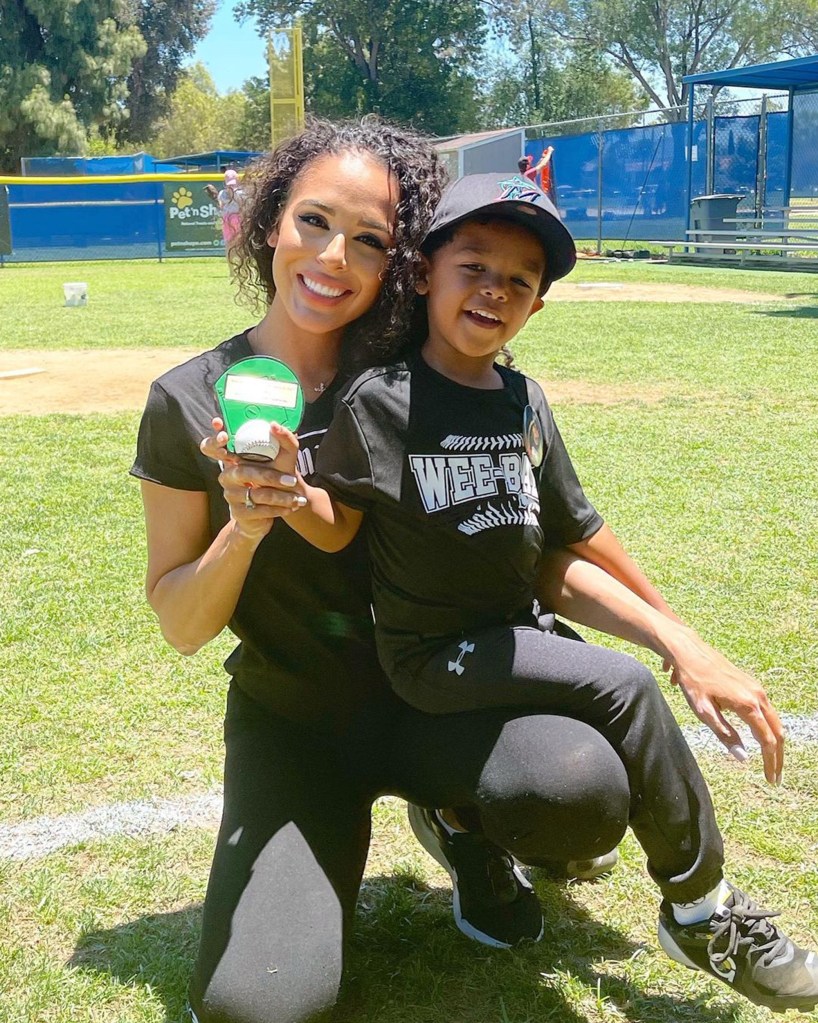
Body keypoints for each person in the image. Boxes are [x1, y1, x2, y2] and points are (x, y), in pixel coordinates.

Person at [133, 121, 795, 1023]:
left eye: (368, 238)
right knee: (263, 1003)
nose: (334, 256)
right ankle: (430, 829)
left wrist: (680, 636)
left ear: (399, 262)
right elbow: (179, 618)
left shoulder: (438, 370)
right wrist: (248, 523)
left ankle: (466, 827)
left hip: (445, 695)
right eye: (313, 221)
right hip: (302, 721)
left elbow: (554, 540)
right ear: (267, 223)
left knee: (578, 788)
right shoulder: (191, 398)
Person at [217, 169, 244, 249]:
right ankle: (236, 252)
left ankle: (231, 253)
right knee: (238, 238)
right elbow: (242, 205)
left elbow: (221, 206)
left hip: (228, 218)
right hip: (236, 217)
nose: (231, 187)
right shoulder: (240, 193)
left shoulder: (222, 193)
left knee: (230, 239)